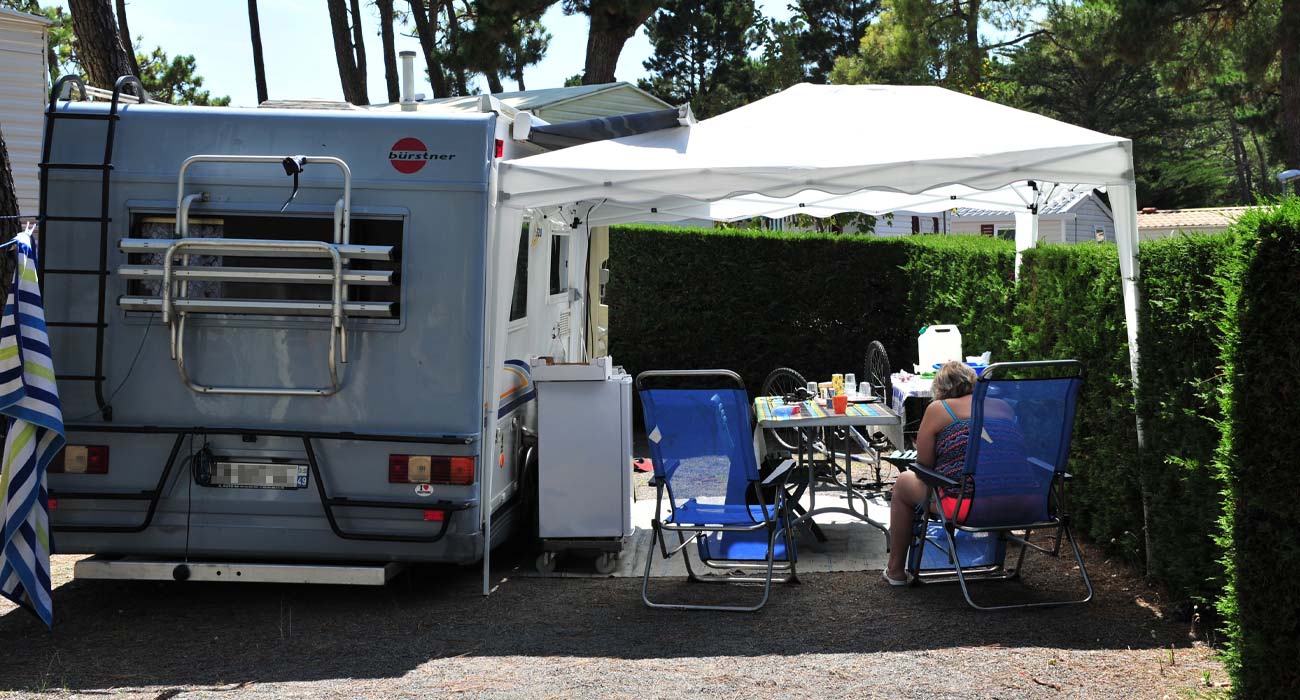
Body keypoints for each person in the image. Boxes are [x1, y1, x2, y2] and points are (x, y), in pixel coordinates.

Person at [882, 360, 1014, 586]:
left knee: (905, 481)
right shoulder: (1003, 406)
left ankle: (895, 571)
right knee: (994, 473)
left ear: (940, 388)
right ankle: (993, 559)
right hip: (1020, 503)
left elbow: (924, 466)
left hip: (966, 506)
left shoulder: (939, 409)